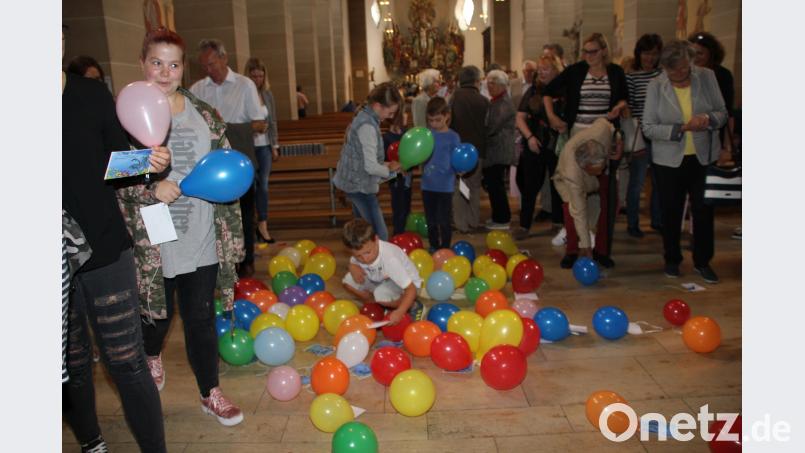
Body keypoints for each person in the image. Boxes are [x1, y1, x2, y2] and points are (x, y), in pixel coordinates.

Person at [115, 28, 247, 427]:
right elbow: (108, 170)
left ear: (182, 69)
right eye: (157, 62)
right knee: (154, 318)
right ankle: (152, 354)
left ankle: (211, 392)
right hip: (154, 238)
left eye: (173, 64)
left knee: (201, 319)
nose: (165, 71)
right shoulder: (125, 113)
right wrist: (151, 184)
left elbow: (226, 171)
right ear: (143, 64)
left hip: (201, 233)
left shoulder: (205, 114)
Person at [62, 30, 170, 452]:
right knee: (69, 364)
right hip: (50, 256)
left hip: (106, 248)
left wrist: (149, 163)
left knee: (126, 360)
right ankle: (91, 443)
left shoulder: (91, 93)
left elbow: (112, 163)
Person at [642, 40, 728, 283]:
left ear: (691, 62)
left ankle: (703, 261)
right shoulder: (656, 86)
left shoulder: (707, 77)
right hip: (668, 160)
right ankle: (672, 258)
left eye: (683, 68)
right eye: (673, 71)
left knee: (703, 210)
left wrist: (708, 119)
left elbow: (722, 112)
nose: (679, 74)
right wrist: (679, 129)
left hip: (703, 156)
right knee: (671, 211)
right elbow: (648, 127)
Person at [543, 32, 628, 263]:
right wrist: (552, 117)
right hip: (578, 136)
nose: (588, 55)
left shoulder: (616, 73)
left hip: (604, 136)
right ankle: (573, 249)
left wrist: (618, 108)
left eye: (593, 51)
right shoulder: (577, 71)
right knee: (573, 195)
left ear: (603, 51)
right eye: (585, 51)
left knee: (604, 195)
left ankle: (600, 250)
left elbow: (624, 100)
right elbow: (547, 92)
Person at [190, 38, 266, 278]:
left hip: (239, 161)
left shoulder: (244, 85)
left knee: (243, 214)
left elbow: (260, 124)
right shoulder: (197, 90)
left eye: (212, 64)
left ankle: (246, 261)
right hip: (210, 165)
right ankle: (220, 263)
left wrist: (225, 127)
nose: (209, 70)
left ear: (224, 58)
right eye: (205, 66)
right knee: (214, 218)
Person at [333, 82, 403, 241]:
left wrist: (390, 167)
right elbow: (370, 166)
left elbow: (366, 160)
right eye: (390, 113)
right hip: (360, 187)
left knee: (361, 233)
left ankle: (363, 263)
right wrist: (391, 170)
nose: (391, 117)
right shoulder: (368, 126)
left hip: (356, 183)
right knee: (378, 235)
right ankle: (375, 264)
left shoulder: (366, 118)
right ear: (378, 106)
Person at [552, 118, 620, 269]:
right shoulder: (572, 175)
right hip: (566, 177)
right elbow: (580, 212)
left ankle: (601, 251)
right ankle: (572, 250)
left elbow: (608, 125)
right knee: (572, 211)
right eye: (597, 170)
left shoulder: (601, 132)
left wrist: (618, 143)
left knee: (611, 204)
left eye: (601, 166)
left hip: (595, 160)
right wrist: (586, 246)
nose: (601, 170)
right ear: (586, 168)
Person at [513, 55, 565, 240]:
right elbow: (520, 116)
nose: (541, 73)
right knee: (529, 186)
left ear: (556, 70)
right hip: (534, 141)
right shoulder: (534, 90)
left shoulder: (564, 89)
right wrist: (529, 138)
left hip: (558, 143)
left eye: (546, 69)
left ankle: (559, 223)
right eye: (540, 69)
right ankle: (524, 225)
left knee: (558, 185)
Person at [341, 219, 424, 324]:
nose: (365, 259)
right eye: (359, 256)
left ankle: (413, 305)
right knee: (348, 282)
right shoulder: (361, 250)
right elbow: (353, 261)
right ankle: (378, 306)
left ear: (376, 240)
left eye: (367, 253)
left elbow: (411, 289)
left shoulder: (390, 259)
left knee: (381, 295)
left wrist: (400, 311)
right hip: (381, 279)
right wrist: (352, 266)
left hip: (408, 286)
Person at [624, 34, 664, 238]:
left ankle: (657, 220)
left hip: (660, 135)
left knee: (659, 181)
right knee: (637, 181)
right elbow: (629, 105)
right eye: (646, 53)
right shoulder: (632, 77)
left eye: (654, 54)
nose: (649, 58)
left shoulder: (663, 76)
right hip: (640, 134)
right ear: (639, 54)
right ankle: (632, 223)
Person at [450, 65, 489, 233]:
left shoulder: (453, 98)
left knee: (459, 187)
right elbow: (489, 126)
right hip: (478, 150)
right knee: (474, 187)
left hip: (458, 151)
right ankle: (473, 221)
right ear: (476, 81)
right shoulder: (484, 101)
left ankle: (461, 224)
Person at [245, 57, 280, 244]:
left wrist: (275, 145)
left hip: (265, 146)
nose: (257, 79)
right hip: (249, 147)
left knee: (264, 187)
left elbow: (273, 121)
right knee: (252, 186)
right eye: (253, 76)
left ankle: (263, 225)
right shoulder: (243, 94)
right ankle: (250, 226)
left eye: (260, 75)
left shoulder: (268, 95)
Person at [422, 96, 461, 250]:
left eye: (438, 120)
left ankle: (444, 248)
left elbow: (458, 160)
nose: (434, 124)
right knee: (431, 220)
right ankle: (433, 246)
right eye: (431, 120)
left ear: (447, 116)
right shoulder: (426, 135)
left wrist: (460, 170)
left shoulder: (453, 137)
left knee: (443, 221)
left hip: (445, 186)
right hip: (427, 185)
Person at [483, 69, 517, 230]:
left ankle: (503, 219)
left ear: (502, 86)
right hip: (495, 150)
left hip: (500, 150)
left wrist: (479, 131)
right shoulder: (496, 101)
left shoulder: (503, 103)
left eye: (493, 83)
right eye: (488, 83)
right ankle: (498, 216)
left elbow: (492, 127)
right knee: (493, 184)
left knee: (496, 185)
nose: (490, 86)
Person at [382, 107, 411, 236]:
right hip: (394, 175)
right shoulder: (386, 137)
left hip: (407, 173)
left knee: (406, 205)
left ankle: (402, 230)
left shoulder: (407, 133)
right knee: (397, 205)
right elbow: (384, 158)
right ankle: (398, 232)